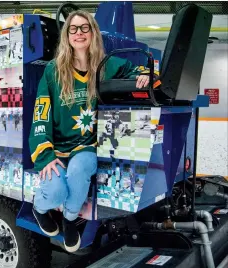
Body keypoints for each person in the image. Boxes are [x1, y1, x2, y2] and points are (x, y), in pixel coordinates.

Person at [29, 10, 150, 253]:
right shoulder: (53, 70)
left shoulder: (105, 65)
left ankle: (70, 219)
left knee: (79, 171)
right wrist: (45, 156)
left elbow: (136, 70)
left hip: (86, 146)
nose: (79, 33)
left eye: (85, 28)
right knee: (54, 192)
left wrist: (145, 75)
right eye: (73, 28)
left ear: (93, 33)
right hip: (57, 148)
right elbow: (41, 113)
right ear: (67, 35)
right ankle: (39, 209)